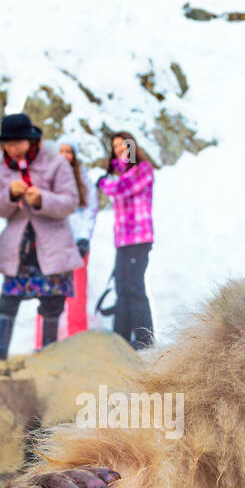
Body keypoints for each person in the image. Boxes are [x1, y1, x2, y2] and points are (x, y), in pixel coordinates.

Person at [0, 114, 82, 360]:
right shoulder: (0, 164)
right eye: (8, 144)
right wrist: (9, 194)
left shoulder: (56, 161)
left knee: (52, 301)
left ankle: (48, 354)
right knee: (8, 300)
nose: (12, 149)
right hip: (19, 245)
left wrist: (42, 199)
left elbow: (70, 201)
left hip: (52, 244)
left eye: (18, 143)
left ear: (31, 141)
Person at [33, 133, 99, 350]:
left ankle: (77, 341)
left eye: (68, 151)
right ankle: (43, 343)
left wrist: (83, 238)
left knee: (77, 294)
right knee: (48, 292)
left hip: (76, 244)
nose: (64, 155)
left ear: (74, 155)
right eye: (61, 150)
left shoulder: (83, 179)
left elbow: (89, 211)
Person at [97, 130, 155, 349]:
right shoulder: (119, 174)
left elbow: (122, 190)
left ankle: (144, 340)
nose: (120, 149)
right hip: (122, 240)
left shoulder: (142, 169)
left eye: (123, 145)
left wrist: (104, 183)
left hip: (139, 238)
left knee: (135, 288)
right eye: (116, 146)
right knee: (122, 288)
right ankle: (120, 339)